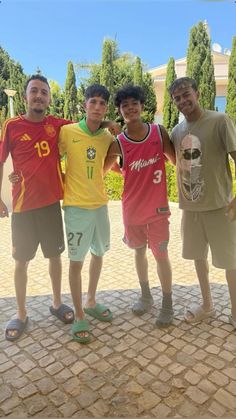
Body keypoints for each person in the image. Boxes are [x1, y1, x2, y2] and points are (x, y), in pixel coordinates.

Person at [0, 74, 74, 341]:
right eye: (34, 91)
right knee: (21, 262)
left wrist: (109, 123)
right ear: (25, 96)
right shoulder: (11, 126)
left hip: (51, 204)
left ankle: (56, 303)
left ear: (49, 99)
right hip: (22, 208)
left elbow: (87, 126)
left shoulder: (57, 125)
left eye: (44, 92)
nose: (39, 95)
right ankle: (21, 314)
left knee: (55, 257)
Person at [104, 85, 176, 328]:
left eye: (134, 103)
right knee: (138, 252)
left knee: (161, 255)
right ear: (120, 111)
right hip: (132, 209)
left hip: (157, 210)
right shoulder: (119, 142)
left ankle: (167, 303)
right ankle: (145, 295)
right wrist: (123, 169)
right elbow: (104, 169)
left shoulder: (159, 132)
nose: (130, 108)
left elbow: (176, 162)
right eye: (125, 105)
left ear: (142, 106)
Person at [169, 77, 236, 327]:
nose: (182, 100)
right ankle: (207, 305)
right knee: (198, 258)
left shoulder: (220, 121)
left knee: (231, 261)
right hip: (190, 208)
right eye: (177, 98)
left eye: (186, 94)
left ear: (197, 93)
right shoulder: (177, 131)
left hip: (221, 206)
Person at [59, 84, 114, 344]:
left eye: (102, 104)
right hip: (76, 207)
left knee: (99, 253)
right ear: (85, 105)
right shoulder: (67, 132)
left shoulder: (107, 137)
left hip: (100, 205)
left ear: (106, 109)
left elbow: (107, 164)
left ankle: (91, 300)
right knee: (75, 262)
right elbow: (49, 160)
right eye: (93, 102)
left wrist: (111, 126)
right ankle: (79, 312)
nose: (97, 107)